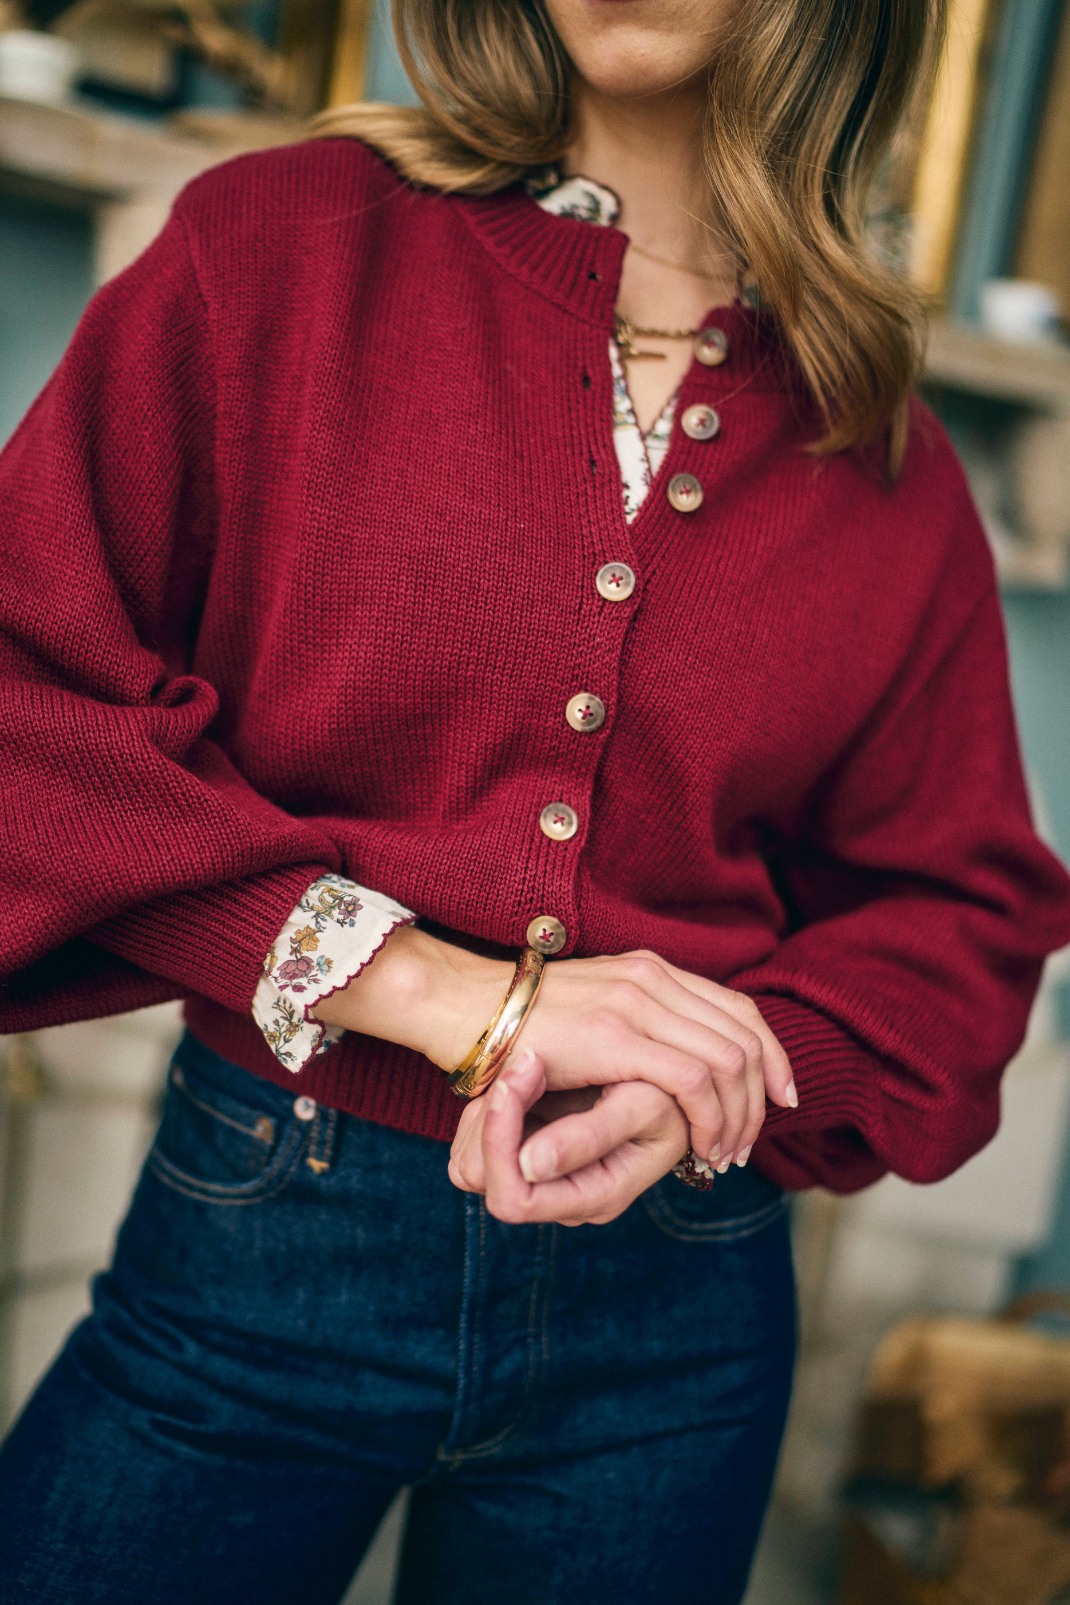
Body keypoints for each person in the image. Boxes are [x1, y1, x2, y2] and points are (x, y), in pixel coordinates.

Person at [1, 0, 1069, 1599]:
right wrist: (439, 991)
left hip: (678, 1324)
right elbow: (22, 708)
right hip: (259, 1245)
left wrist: (736, 1076)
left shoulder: (884, 458)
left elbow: (960, 914)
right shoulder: (278, 258)